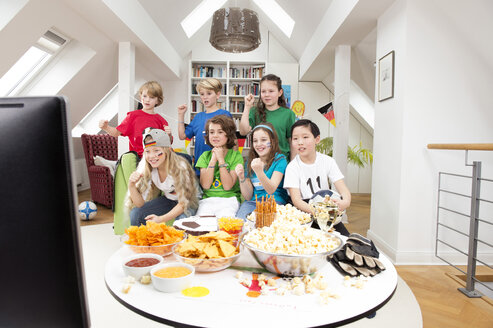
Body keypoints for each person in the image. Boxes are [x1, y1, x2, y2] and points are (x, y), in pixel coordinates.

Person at [283, 119, 351, 236]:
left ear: (317, 139)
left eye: (305, 137)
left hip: (326, 208)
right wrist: (319, 212)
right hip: (303, 211)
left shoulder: (328, 161)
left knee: (346, 242)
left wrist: (345, 201)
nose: (300, 142)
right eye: (295, 138)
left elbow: (343, 189)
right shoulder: (292, 167)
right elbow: (296, 200)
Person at [126, 128, 198, 226]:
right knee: (136, 214)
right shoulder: (147, 166)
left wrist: (160, 219)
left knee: (180, 222)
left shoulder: (180, 166)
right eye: (148, 151)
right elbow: (139, 204)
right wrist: (131, 185)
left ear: (167, 150)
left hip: (189, 202)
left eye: (156, 150)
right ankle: (141, 240)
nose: (151, 156)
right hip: (169, 199)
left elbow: (183, 203)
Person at [99, 81, 172, 158]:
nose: (147, 100)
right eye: (145, 96)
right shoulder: (133, 116)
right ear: (140, 97)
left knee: (183, 157)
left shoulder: (161, 120)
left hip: (157, 156)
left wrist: (169, 135)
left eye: (152, 97)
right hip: (139, 156)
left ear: (157, 100)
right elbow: (116, 132)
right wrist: (106, 127)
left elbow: (168, 142)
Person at [177, 78, 232, 176]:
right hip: (200, 169)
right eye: (202, 94)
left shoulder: (225, 114)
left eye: (209, 93)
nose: (205, 97)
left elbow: (232, 141)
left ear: (218, 95)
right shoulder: (198, 117)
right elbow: (182, 136)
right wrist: (181, 115)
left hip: (219, 169)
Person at [234, 123, 289, 220]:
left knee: (267, 224)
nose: (259, 144)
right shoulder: (250, 162)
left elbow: (271, 189)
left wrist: (259, 172)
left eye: (263, 140)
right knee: (241, 221)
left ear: (272, 141)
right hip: (253, 203)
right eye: (255, 141)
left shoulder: (280, 160)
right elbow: (248, 196)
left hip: (275, 202)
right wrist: (242, 178)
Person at [195, 115, 243, 217]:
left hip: (229, 200)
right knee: (202, 225)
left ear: (228, 135)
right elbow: (205, 185)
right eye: (211, 132)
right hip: (208, 200)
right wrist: (213, 160)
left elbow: (227, 186)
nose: (215, 135)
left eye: (220, 132)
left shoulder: (236, 156)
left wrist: (221, 160)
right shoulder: (204, 156)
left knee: (224, 225)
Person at [239, 74, 296, 159]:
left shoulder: (288, 114)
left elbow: (292, 142)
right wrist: (247, 107)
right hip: (260, 162)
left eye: (271, 91)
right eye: (263, 91)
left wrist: (292, 165)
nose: (266, 95)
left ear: (280, 92)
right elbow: (243, 132)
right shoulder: (255, 111)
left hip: (281, 163)